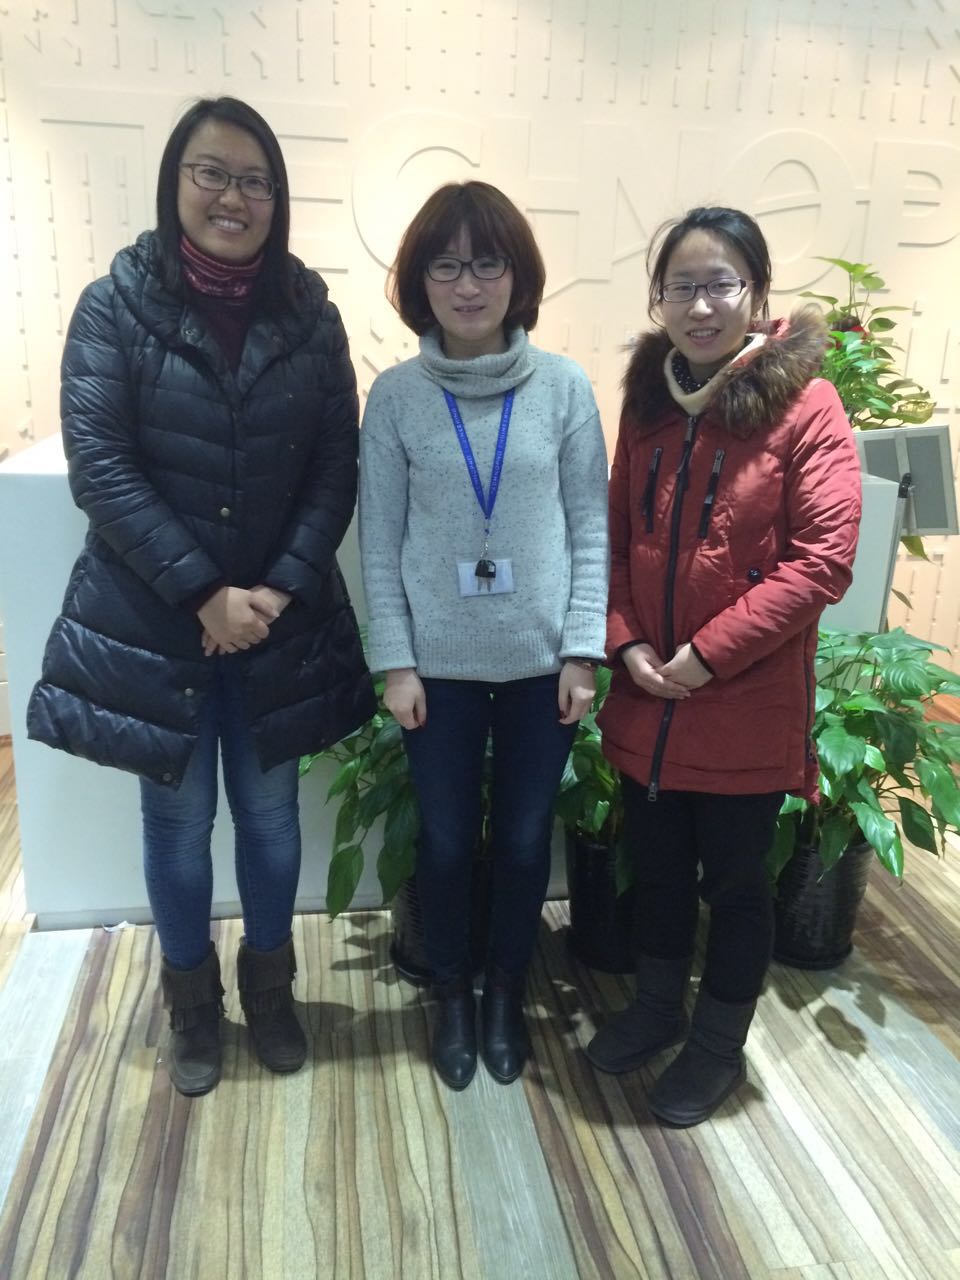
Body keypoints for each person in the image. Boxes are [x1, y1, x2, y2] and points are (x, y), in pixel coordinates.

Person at [27, 96, 375, 1096]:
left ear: (279, 197)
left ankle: (270, 992)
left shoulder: (310, 315)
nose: (233, 196)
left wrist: (273, 591)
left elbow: (334, 466)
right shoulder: (115, 305)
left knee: (270, 819)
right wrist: (202, 594)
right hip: (156, 625)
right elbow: (101, 465)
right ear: (175, 181)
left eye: (254, 179)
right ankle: (190, 1005)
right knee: (177, 825)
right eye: (212, 172)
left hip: (276, 624)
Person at [586, 206, 862, 1126]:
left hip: (741, 703)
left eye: (720, 285)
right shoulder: (649, 401)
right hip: (647, 698)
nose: (700, 306)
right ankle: (657, 1008)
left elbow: (822, 561)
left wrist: (705, 658)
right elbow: (615, 537)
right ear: (658, 299)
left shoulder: (807, 405)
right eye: (682, 287)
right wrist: (626, 642)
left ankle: (716, 1046)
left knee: (738, 887)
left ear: (758, 292)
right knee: (658, 871)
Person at [359, 181, 609, 1090]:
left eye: (487, 263)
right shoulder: (396, 397)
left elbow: (591, 527)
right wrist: (396, 663)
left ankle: (505, 991)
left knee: (524, 841)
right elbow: (379, 542)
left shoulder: (565, 388)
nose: (468, 285)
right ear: (420, 282)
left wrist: (582, 649)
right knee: (446, 842)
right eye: (446, 265)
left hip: (544, 667)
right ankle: (453, 994)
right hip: (438, 671)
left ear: (518, 275)